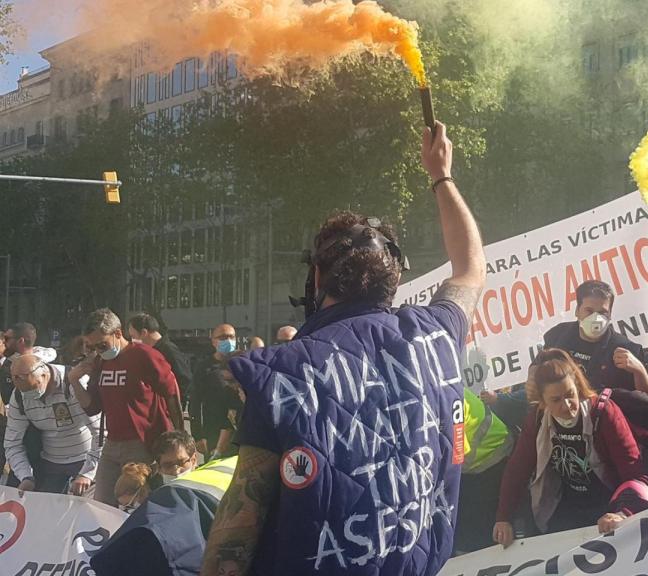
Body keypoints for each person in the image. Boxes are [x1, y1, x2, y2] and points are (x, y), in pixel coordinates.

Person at [200, 121, 486, 576]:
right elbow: (471, 268)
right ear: (395, 280)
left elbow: (237, 531)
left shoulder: (282, 371)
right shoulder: (437, 334)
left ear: (317, 278)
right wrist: (441, 175)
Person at [492, 349, 648, 547]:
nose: (567, 405)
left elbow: (635, 474)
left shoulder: (604, 413)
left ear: (578, 387)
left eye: (571, 395)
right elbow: (517, 470)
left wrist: (622, 513)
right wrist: (503, 518)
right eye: (556, 400)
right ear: (542, 402)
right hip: (565, 508)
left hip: (609, 505)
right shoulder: (536, 420)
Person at [68, 308, 185, 506]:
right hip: (112, 442)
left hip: (144, 441)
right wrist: (74, 381)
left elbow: (171, 393)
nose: (99, 350)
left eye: (102, 344)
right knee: (102, 502)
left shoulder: (144, 355)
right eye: (94, 347)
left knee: (137, 501)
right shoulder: (100, 362)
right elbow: (93, 407)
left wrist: (181, 437)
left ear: (118, 333)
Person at [92, 454, 237, 576]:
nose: (127, 510)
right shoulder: (161, 502)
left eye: (129, 505)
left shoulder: (166, 520)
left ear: (141, 493)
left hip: (231, 500)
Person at [4, 353, 101, 494]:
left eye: (32, 388)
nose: (30, 395)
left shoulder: (73, 384)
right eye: (24, 391)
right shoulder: (19, 395)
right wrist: (25, 476)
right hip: (49, 464)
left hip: (85, 458)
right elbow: (12, 443)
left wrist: (87, 473)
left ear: (44, 374)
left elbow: (101, 432)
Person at [543, 280, 648, 397]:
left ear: (610, 314)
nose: (596, 318)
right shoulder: (557, 336)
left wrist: (639, 371)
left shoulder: (627, 349)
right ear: (577, 311)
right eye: (589, 311)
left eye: (602, 312)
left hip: (607, 413)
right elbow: (537, 377)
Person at [455, 388, 515, 554]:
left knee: (477, 535)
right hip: (470, 465)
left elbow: (453, 459)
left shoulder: (453, 402)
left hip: (494, 457)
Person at [190, 324, 238, 460]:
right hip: (214, 434)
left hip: (239, 435)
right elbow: (195, 402)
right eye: (222, 337)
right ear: (213, 342)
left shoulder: (243, 363)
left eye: (231, 337)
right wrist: (198, 436)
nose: (228, 341)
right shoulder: (204, 368)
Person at [128, 314, 193, 406]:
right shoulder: (151, 350)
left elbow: (184, 378)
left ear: (144, 333)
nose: (132, 340)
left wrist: (174, 403)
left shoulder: (168, 350)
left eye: (133, 336)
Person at [2, 322, 39, 404]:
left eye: (7, 338)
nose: (3, 342)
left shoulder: (38, 368)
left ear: (20, 341)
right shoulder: (7, 362)